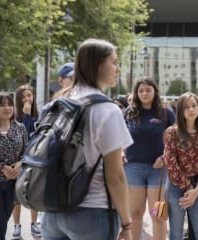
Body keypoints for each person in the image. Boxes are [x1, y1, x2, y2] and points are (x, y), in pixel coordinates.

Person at [41, 38, 134, 240]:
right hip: (92, 211)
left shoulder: (56, 104)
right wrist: (127, 223)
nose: (117, 69)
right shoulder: (107, 110)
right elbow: (115, 176)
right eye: (114, 62)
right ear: (98, 65)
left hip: (52, 211)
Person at [124, 77, 175, 240]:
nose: (144, 93)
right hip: (133, 168)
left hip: (158, 170)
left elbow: (176, 140)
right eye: (141, 90)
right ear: (136, 93)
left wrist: (165, 157)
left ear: (155, 91)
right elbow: (120, 137)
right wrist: (120, 152)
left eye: (148, 90)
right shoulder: (129, 112)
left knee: (157, 214)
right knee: (135, 213)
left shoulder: (166, 113)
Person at [163, 92, 198, 240]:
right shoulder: (171, 133)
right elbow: (171, 165)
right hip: (175, 186)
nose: (191, 110)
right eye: (186, 107)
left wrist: (196, 190)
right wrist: (188, 189)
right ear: (180, 110)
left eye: (194, 106)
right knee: (176, 234)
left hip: (197, 186)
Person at [0, 92, 28, 240]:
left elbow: (27, 152)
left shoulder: (20, 128)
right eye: (1, 105)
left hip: (12, 184)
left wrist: (20, 163)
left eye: (9, 104)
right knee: (0, 223)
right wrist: (2, 167)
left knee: (3, 221)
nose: (7, 108)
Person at [12, 85, 41, 239]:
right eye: (23, 97)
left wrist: (30, 115)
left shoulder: (39, 115)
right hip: (18, 161)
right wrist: (26, 116)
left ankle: (34, 224)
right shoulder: (15, 117)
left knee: (33, 195)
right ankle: (16, 226)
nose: (27, 99)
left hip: (34, 161)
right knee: (16, 197)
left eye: (29, 95)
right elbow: (24, 135)